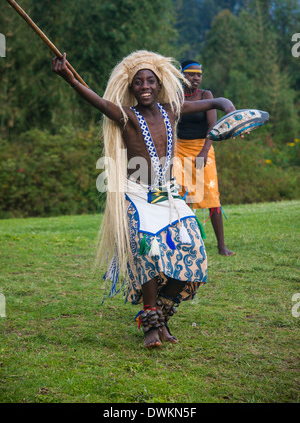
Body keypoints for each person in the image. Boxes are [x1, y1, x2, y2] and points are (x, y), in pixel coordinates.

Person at [52, 50, 236, 349]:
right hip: (137, 194)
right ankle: (150, 323)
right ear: (131, 88)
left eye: (151, 80)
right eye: (139, 82)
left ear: (159, 83)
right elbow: (96, 101)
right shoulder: (126, 115)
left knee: (194, 250)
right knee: (149, 253)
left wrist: (225, 104)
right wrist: (69, 78)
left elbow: (212, 102)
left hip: (167, 192)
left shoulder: (171, 109)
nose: (146, 86)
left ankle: (161, 314)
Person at [174, 60, 234, 256]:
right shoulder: (175, 95)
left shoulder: (206, 95)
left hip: (203, 146)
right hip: (179, 148)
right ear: (182, 76)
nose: (196, 78)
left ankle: (221, 246)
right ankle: (183, 241)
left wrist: (204, 152)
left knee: (211, 195)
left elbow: (213, 127)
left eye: (198, 74)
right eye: (191, 74)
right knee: (181, 195)